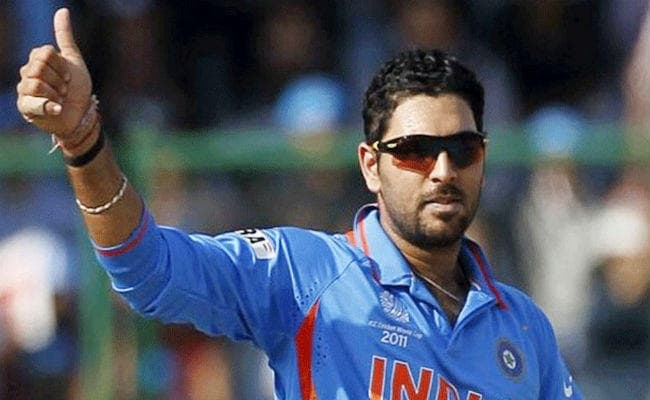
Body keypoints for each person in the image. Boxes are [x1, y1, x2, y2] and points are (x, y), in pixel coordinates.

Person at [16, 8, 582, 399]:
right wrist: (84, 143)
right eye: (414, 151)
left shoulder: (524, 325)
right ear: (370, 166)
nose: (442, 170)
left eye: (462, 149)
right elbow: (146, 271)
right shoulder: (305, 273)